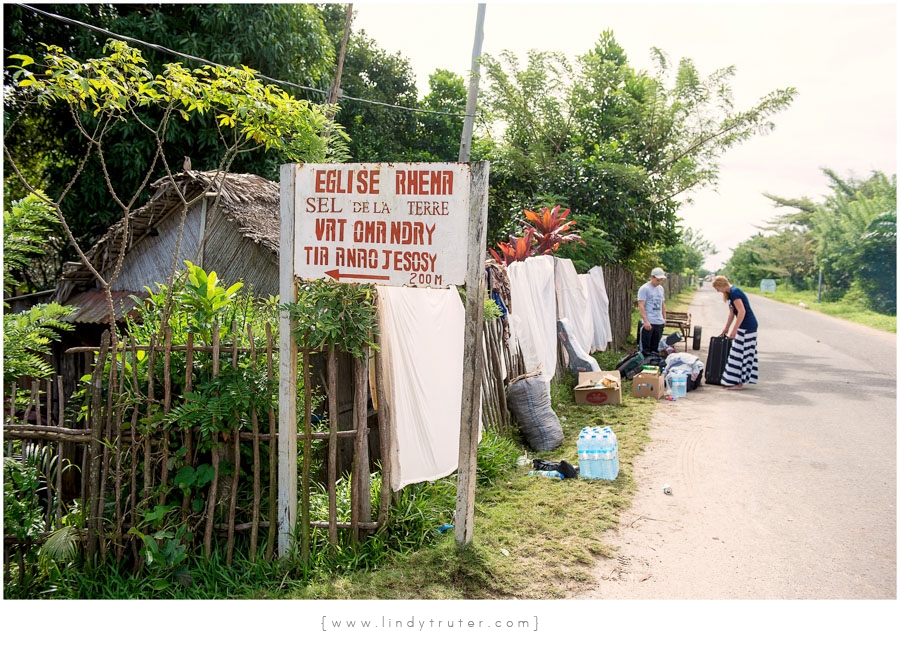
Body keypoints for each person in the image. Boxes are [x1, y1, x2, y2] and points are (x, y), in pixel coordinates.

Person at [711, 275, 759, 390]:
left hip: (747, 325)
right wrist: (726, 328)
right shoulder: (730, 294)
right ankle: (735, 381)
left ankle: (738, 383)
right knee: (737, 353)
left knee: (740, 353)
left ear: (721, 285)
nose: (717, 291)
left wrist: (735, 330)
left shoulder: (735, 292)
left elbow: (742, 311)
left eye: (717, 288)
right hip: (745, 325)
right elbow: (732, 313)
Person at [638, 267, 667, 356]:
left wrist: (664, 318)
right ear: (652, 277)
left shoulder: (661, 289)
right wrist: (646, 321)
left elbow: (662, 304)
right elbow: (641, 305)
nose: (659, 282)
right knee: (646, 349)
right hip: (649, 322)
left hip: (659, 321)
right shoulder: (644, 288)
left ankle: (653, 364)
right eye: (657, 280)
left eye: (661, 280)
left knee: (655, 349)